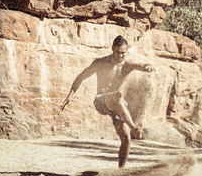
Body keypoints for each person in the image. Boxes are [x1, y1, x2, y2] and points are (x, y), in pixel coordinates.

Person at [60, 35, 156, 168]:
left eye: (123, 53)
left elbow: (143, 65)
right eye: (118, 52)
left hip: (118, 105)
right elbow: (81, 77)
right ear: (112, 49)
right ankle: (134, 128)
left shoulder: (127, 65)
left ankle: (120, 170)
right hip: (101, 101)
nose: (120, 56)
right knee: (117, 96)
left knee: (126, 138)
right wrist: (70, 95)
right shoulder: (100, 63)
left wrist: (148, 66)